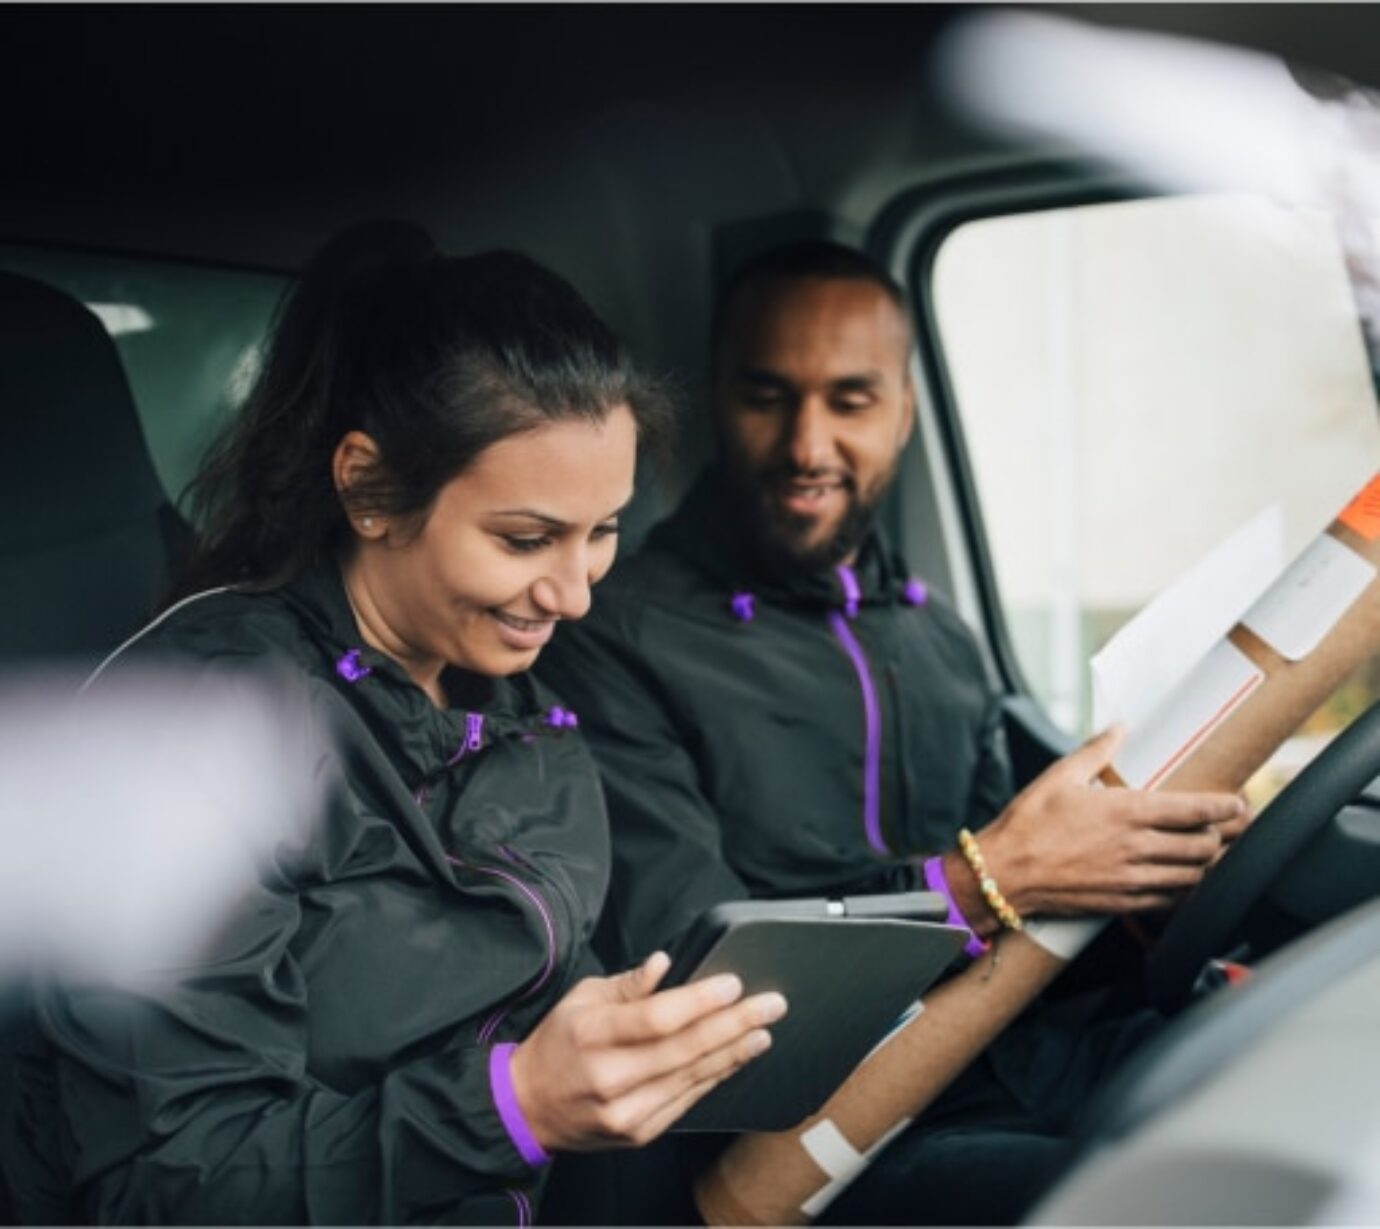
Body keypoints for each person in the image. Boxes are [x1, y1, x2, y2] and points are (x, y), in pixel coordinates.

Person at [1, 221, 789, 1226]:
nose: (576, 593)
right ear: (370, 488)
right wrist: (514, 1103)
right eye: (526, 538)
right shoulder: (194, 735)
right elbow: (169, 1179)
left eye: (603, 531)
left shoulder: (515, 704)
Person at [535, 240, 1249, 1224]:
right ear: (716, 401)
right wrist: (985, 879)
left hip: (1029, 1055)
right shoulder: (612, 637)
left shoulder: (939, 635)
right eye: (768, 395)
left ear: (905, 410)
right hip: (824, 1136)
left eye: (852, 399)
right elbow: (698, 979)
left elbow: (1037, 909)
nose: (808, 444)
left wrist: (1147, 891)